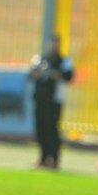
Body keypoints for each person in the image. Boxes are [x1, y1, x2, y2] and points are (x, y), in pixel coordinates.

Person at [28, 34, 74, 170]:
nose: (53, 46)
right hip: (40, 99)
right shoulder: (40, 59)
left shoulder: (64, 61)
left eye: (56, 43)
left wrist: (52, 73)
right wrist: (39, 72)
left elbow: (68, 76)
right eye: (51, 42)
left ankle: (54, 159)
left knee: (52, 130)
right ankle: (43, 158)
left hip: (54, 101)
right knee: (40, 129)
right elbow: (31, 75)